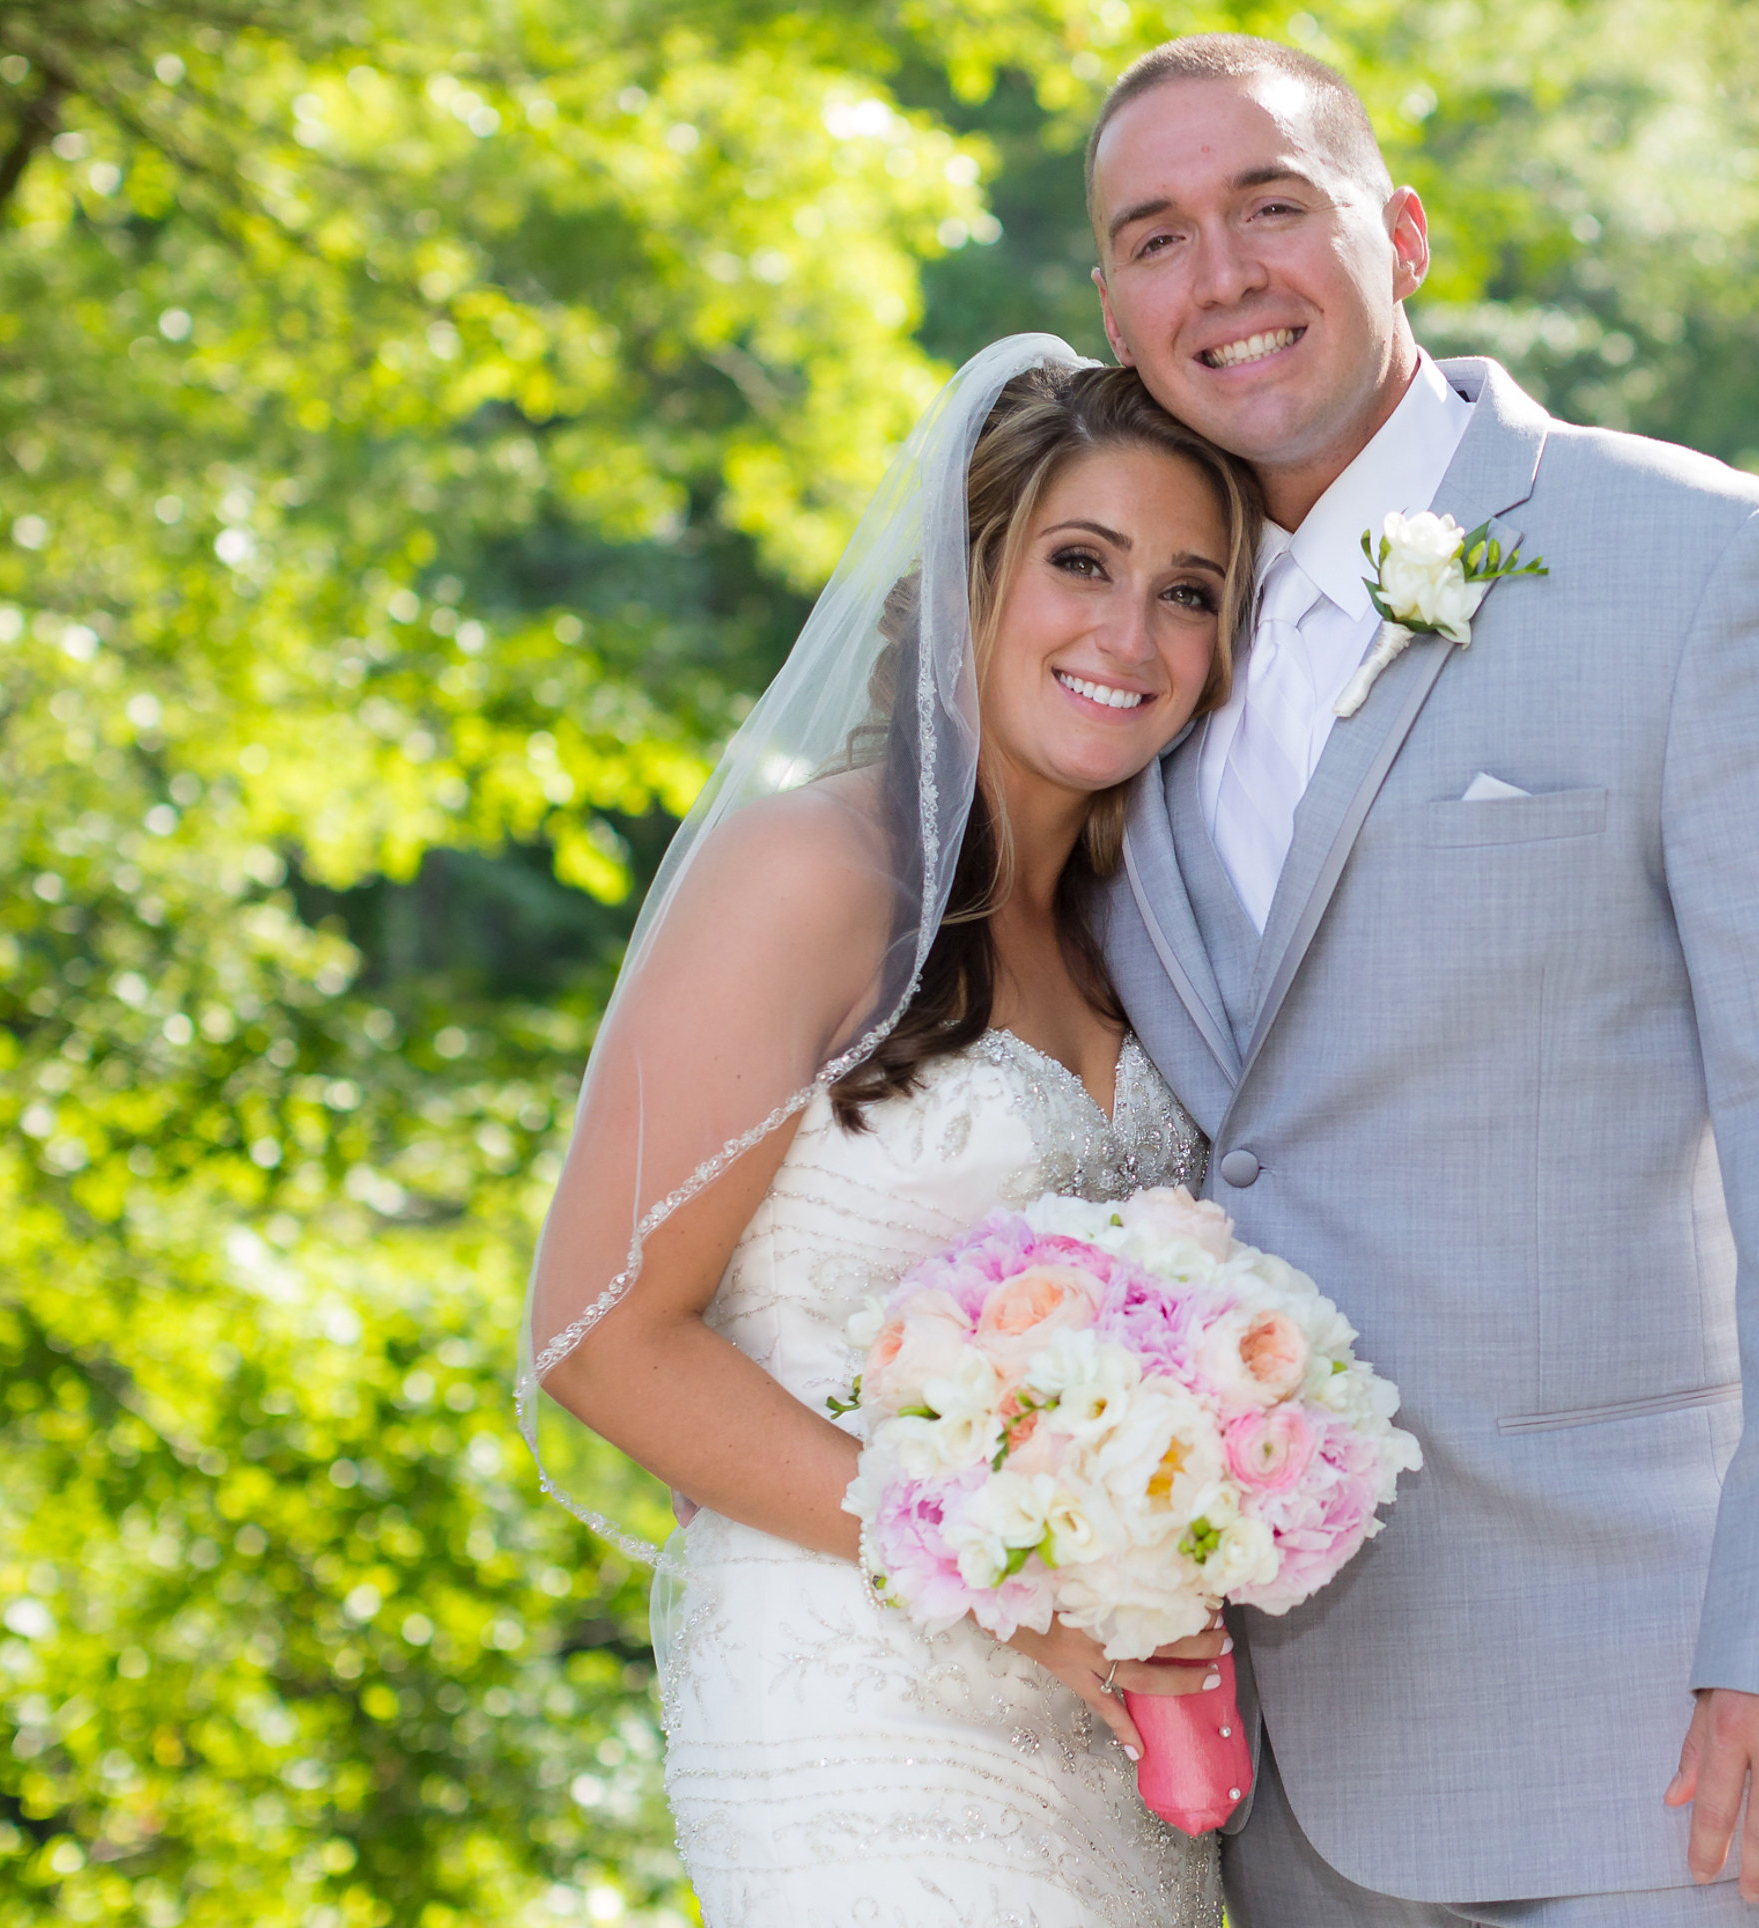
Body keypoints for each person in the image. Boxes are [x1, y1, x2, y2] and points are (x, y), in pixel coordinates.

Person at [1085, 35, 1759, 1928]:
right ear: (1114, 306)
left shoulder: (1710, 570)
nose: (1223, 274)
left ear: (1400, 234)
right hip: (1243, 1763)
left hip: (1653, 1734)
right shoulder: (1124, 651)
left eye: (1274, 205)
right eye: (1156, 237)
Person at [519, 343, 1266, 1925]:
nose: (1132, 634)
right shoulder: (809, 874)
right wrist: (1008, 1588)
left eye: (1190, 592)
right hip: (861, 1695)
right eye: (1082, 563)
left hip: (1113, 1723)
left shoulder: (1137, 937)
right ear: (966, 579)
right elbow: (604, 1340)